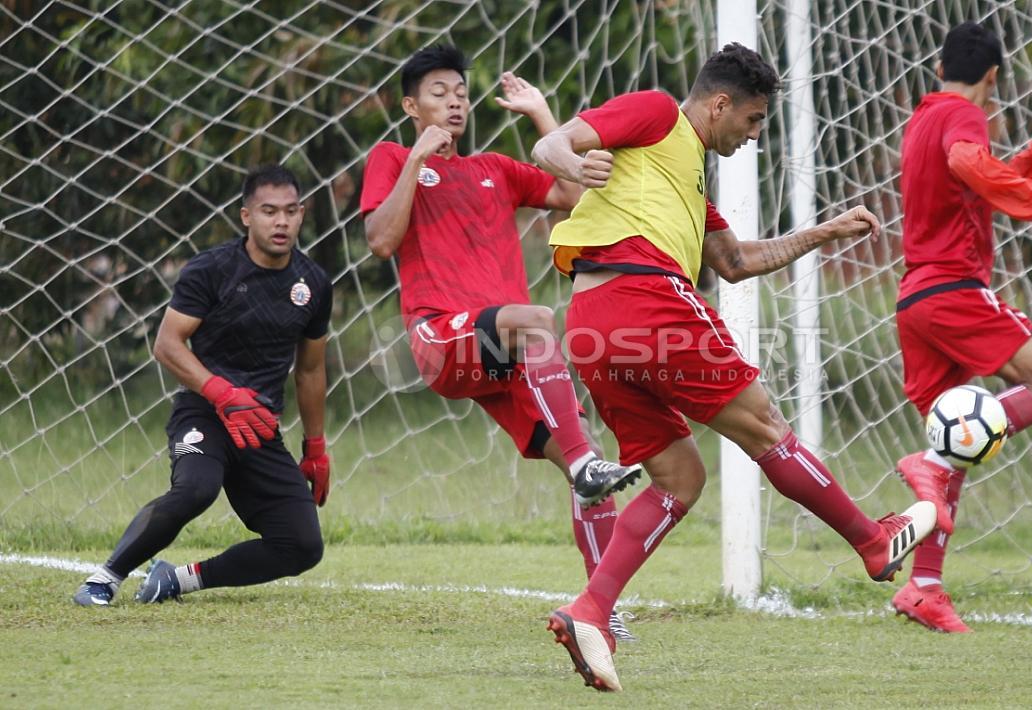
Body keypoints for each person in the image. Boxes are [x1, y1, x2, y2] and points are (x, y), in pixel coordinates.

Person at [531, 42, 938, 692]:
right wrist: (573, 160)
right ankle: (871, 541)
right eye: (752, 121)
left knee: (679, 476)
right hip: (645, 300)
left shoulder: (683, 178)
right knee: (765, 426)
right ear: (720, 104)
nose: (754, 136)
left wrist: (823, 234)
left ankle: (591, 610)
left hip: (591, 325)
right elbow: (554, 148)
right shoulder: (657, 113)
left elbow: (735, 261)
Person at [359, 46, 641, 638]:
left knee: (579, 458)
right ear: (411, 105)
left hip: (502, 352)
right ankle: (589, 465)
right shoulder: (390, 157)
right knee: (535, 317)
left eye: (460, 91)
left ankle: (601, 612)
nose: (454, 100)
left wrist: (543, 115)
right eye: (438, 91)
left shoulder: (496, 169)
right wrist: (414, 162)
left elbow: (573, 197)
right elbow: (381, 240)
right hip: (440, 335)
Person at [890, 22, 1032, 633]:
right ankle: (935, 460)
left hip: (917, 298)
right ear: (994, 76)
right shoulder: (964, 117)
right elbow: (968, 162)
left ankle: (924, 588)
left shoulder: (925, 115)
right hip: (954, 290)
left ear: (940, 65)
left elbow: (968, 184)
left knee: (951, 456)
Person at [73, 164, 333, 606]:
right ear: (246, 216)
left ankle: (177, 580)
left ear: (303, 214)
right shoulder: (212, 270)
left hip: (258, 427)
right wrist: (220, 393)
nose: (282, 222)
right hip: (205, 412)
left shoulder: (313, 284)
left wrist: (316, 446)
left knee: (302, 545)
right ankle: (104, 578)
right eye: (269, 211)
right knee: (196, 490)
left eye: (291, 211)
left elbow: (309, 371)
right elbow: (168, 344)